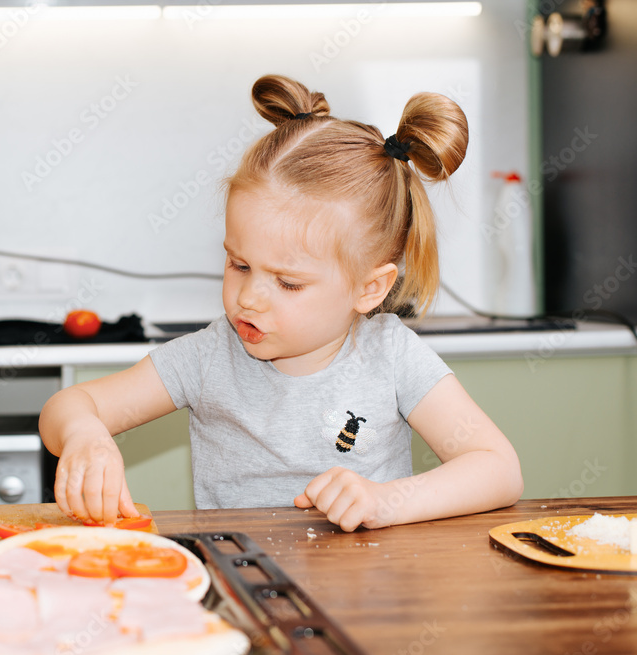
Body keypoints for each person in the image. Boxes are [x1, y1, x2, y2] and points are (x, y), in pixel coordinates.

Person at [38, 74, 524, 532]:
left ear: (369, 289)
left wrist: (385, 502)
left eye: (288, 283)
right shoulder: (211, 357)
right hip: (242, 589)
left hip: (368, 599)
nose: (248, 297)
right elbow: (68, 405)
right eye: (239, 265)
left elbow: (497, 469)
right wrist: (84, 433)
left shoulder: (392, 358)